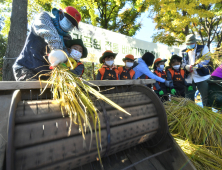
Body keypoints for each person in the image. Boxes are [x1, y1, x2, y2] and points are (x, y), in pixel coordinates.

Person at [13, 6, 81, 81]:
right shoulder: (44, 18)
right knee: (31, 90)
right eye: (68, 21)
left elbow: (67, 55)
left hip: (48, 75)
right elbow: (49, 33)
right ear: (60, 13)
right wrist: (58, 50)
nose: (69, 25)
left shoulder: (67, 37)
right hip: (27, 68)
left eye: (72, 25)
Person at [181, 34, 212, 106]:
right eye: (187, 43)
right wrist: (186, 67)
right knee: (189, 99)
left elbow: (206, 59)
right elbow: (182, 63)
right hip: (189, 78)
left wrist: (197, 65)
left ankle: (207, 114)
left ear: (195, 42)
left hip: (202, 77)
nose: (189, 45)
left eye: (190, 43)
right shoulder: (183, 51)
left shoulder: (203, 48)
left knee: (206, 98)